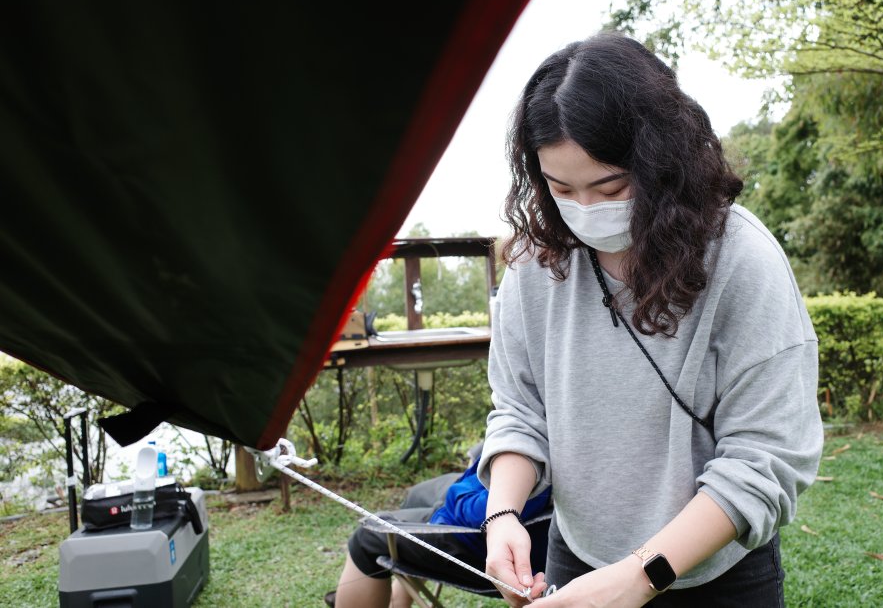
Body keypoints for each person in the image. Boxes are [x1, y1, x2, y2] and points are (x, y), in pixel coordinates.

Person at [476, 31, 824, 607]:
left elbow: (766, 457)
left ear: (662, 161)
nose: (585, 209)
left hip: (716, 576)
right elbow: (519, 409)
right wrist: (505, 515)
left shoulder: (743, 260)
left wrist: (638, 577)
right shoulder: (538, 259)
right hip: (576, 556)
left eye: (610, 185)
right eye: (561, 188)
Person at [328, 442, 551, 608]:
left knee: (366, 538)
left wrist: (456, 494)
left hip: (474, 538)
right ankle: (399, 600)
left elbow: (481, 512)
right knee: (417, 494)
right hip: (475, 493)